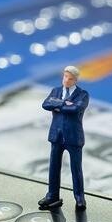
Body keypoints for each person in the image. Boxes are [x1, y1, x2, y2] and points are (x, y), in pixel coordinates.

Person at [38, 66, 90, 210]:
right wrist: (63, 103)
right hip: (56, 136)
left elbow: (75, 109)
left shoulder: (83, 94)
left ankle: (79, 198)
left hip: (73, 137)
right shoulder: (56, 91)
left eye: (70, 78)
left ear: (76, 80)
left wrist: (57, 104)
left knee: (76, 169)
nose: (66, 80)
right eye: (65, 77)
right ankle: (52, 195)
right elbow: (46, 104)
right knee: (54, 167)